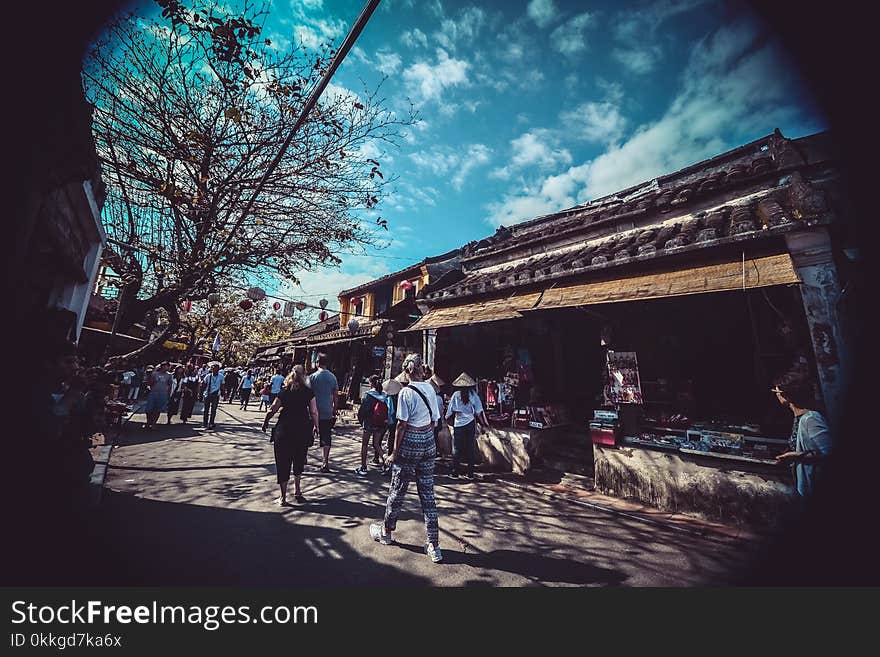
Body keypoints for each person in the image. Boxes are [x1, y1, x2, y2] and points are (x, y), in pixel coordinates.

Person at [369, 353, 443, 563]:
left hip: (409, 443)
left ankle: (386, 532)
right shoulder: (430, 388)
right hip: (428, 442)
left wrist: (393, 453)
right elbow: (434, 421)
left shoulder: (405, 393)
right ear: (421, 369)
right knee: (428, 495)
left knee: (397, 491)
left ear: (406, 371)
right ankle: (434, 545)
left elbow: (401, 425)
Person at [262, 365, 320, 505]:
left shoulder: (284, 392)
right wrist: (317, 426)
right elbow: (313, 412)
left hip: (284, 430)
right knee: (299, 460)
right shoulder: (308, 392)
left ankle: (283, 497)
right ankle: (298, 491)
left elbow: (273, 409)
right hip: (302, 430)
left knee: (282, 462)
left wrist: (265, 422)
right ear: (303, 376)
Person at [772, 377, 833, 498]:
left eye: (776, 392)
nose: (776, 395)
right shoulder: (799, 418)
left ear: (786, 396)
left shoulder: (811, 418)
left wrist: (796, 456)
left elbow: (830, 454)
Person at [446, 373, 489, 479]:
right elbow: (479, 412)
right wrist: (484, 424)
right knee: (470, 448)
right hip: (470, 423)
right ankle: (470, 473)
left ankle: (455, 472)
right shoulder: (474, 395)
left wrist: (447, 418)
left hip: (458, 424)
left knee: (457, 448)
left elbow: (450, 411)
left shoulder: (456, 395)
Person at [308, 354, 338, 473]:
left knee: (308, 433)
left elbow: (307, 394)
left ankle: (304, 456)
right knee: (326, 436)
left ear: (317, 362)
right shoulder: (333, 377)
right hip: (327, 411)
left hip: (312, 410)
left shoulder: (312, 377)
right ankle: (325, 461)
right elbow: (335, 395)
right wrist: (334, 409)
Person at [355, 375, 389, 476]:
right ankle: (386, 462)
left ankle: (363, 467)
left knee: (365, 444)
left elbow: (363, 411)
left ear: (371, 383)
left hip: (369, 423)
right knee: (377, 444)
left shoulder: (368, 395)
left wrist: (361, 421)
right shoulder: (384, 395)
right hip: (380, 423)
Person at [143, 362, 172, 429]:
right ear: (162, 366)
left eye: (168, 366)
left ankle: (154, 423)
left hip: (163, 393)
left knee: (158, 410)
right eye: (166, 366)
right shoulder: (155, 374)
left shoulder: (169, 375)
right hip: (153, 393)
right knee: (149, 409)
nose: (167, 368)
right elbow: (150, 383)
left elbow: (170, 385)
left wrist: (169, 395)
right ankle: (148, 422)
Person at [202, 363, 225, 430]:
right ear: (211, 369)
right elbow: (203, 384)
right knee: (206, 410)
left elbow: (222, 385)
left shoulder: (221, 376)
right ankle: (205, 423)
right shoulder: (208, 376)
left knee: (213, 410)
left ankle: (211, 423)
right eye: (213, 369)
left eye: (216, 369)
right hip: (207, 394)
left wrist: (223, 394)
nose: (214, 370)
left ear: (218, 370)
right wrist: (201, 393)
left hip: (216, 395)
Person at [429, 373, 446, 457]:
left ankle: (433, 452)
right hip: (437, 420)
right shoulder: (439, 398)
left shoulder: (428, 398)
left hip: (430, 420)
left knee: (432, 437)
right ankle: (436, 451)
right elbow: (441, 410)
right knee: (435, 437)